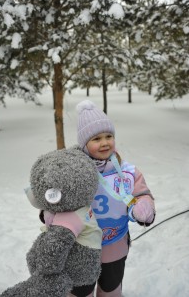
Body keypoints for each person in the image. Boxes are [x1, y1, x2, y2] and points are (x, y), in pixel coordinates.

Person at [69, 100, 156, 297]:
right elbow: (56, 199)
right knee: (79, 292)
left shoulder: (128, 171)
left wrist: (143, 207)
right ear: (84, 144)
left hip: (115, 246)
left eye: (109, 136)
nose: (105, 142)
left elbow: (141, 193)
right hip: (81, 250)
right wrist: (48, 213)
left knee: (111, 289)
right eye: (96, 138)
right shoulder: (73, 172)